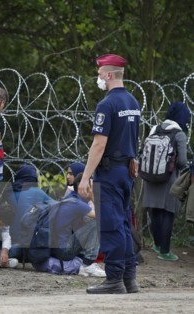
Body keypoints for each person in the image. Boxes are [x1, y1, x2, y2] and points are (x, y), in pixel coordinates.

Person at [78, 54, 140, 294]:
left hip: (109, 172)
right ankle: (129, 278)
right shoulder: (132, 102)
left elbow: (99, 145)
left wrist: (85, 177)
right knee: (123, 223)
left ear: (110, 75)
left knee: (111, 226)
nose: (98, 77)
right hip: (126, 171)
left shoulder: (107, 105)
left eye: (100, 73)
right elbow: (132, 137)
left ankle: (114, 279)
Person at [142, 102, 189, 261]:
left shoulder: (155, 128)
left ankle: (156, 245)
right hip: (169, 178)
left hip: (150, 177)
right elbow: (182, 161)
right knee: (168, 213)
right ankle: (165, 251)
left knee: (154, 210)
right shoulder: (179, 134)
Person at [51, 173, 105, 277]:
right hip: (63, 250)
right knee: (97, 222)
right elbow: (102, 216)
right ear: (83, 187)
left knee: (88, 220)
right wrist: (93, 197)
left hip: (55, 248)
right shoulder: (77, 203)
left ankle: (84, 259)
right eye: (91, 187)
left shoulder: (71, 198)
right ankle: (87, 264)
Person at [8, 164, 55, 245]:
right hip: (29, 238)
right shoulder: (36, 191)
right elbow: (56, 205)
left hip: (11, 236)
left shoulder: (10, 192)